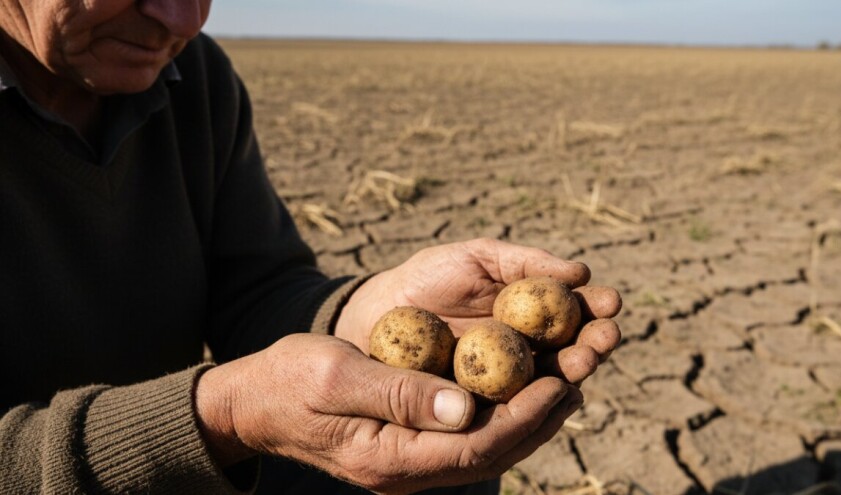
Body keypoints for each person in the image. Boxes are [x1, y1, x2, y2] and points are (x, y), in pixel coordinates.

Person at [0, 1, 622, 493]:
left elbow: (255, 289)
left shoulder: (193, 74)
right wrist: (228, 415)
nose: (182, 18)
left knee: (440, 465)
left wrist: (360, 312)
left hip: (200, 468)